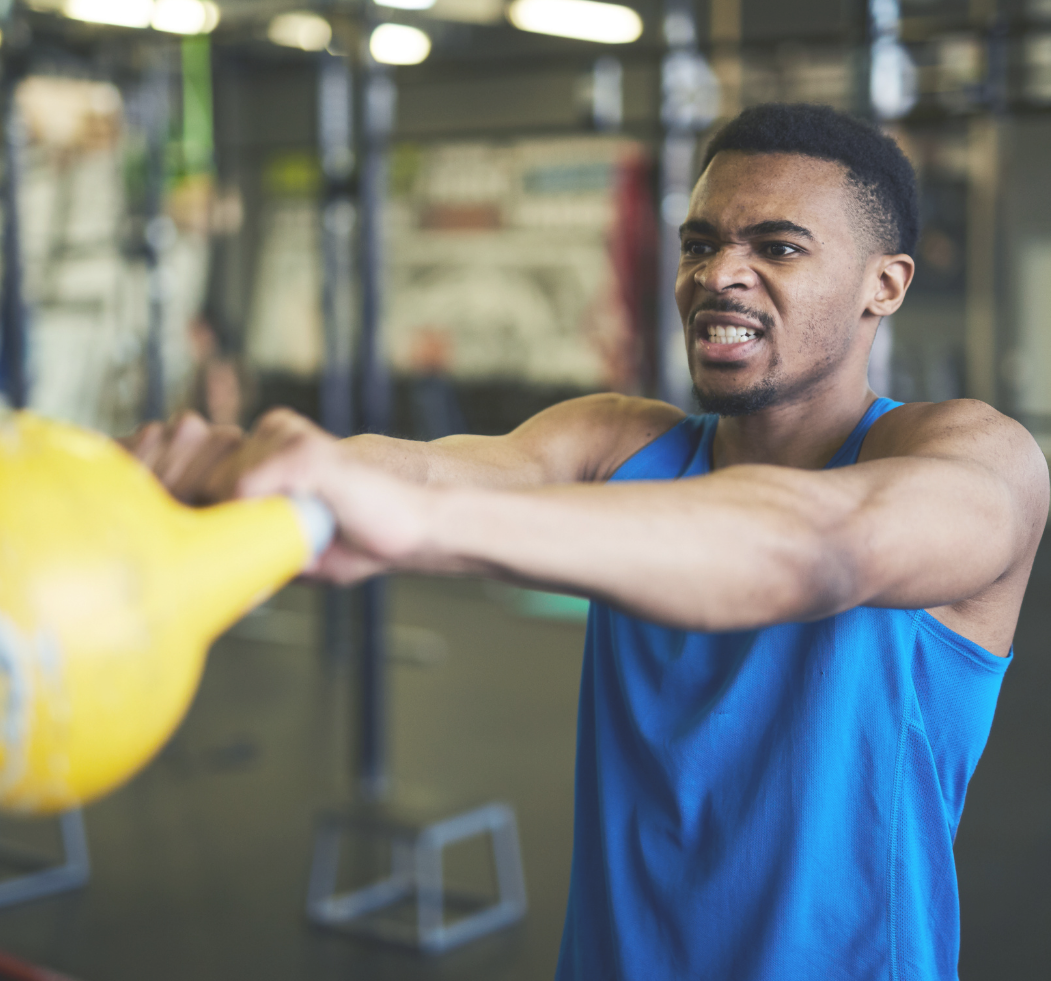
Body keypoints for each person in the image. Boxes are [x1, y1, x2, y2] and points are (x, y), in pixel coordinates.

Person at [128, 103, 1049, 980]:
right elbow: (436, 470)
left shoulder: (975, 460)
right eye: (700, 243)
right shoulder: (622, 442)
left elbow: (827, 548)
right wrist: (245, 463)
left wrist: (421, 526)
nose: (718, 273)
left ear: (883, 284)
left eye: (776, 247)